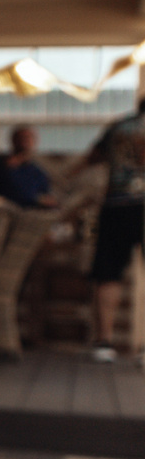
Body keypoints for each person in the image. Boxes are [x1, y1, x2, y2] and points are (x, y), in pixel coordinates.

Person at [84, 91, 145, 361]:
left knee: (108, 273)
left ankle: (104, 343)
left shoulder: (119, 127)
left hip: (117, 206)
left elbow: (92, 157)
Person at [0, 124, 58, 210]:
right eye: (21, 138)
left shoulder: (36, 172)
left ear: (34, 142)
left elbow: (45, 193)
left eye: (28, 138)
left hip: (25, 208)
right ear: (13, 140)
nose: (24, 142)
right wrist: (5, 168)